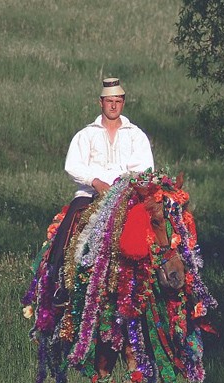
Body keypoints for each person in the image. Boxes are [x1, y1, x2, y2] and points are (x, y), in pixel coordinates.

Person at [48, 77, 154, 304]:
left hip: (126, 194)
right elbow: (73, 166)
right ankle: (61, 283)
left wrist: (123, 186)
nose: (113, 105)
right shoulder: (86, 135)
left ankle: (155, 281)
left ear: (123, 102)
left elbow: (145, 169)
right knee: (71, 224)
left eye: (118, 101)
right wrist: (94, 181)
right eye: (109, 101)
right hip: (90, 194)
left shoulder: (136, 135)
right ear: (101, 103)